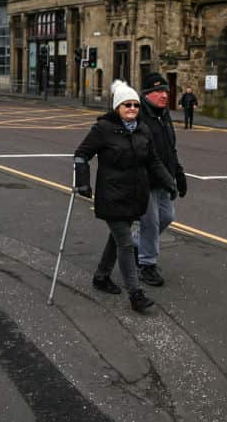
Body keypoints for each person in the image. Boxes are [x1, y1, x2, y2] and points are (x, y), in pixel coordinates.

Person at [74, 80, 177, 312]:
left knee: (116, 239)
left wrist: (169, 182)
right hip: (111, 195)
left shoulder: (142, 129)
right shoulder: (103, 129)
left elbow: (153, 161)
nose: (132, 108)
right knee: (126, 243)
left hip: (134, 195)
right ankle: (135, 294)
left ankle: (101, 277)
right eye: (127, 105)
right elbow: (81, 155)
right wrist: (82, 182)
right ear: (117, 107)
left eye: (135, 105)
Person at [135, 71, 188, 287]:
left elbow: (170, 148)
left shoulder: (164, 115)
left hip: (164, 178)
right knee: (150, 222)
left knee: (167, 217)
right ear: (147, 94)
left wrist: (178, 172)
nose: (164, 95)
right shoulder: (138, 115)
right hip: (144, 179)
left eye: (165, 90)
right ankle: (147, 265)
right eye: (158, 91)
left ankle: (134, 244)